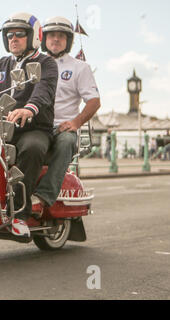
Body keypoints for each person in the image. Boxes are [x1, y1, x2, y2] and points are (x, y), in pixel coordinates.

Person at [0, 12, 58, 237]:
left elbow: (45, 89)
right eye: (9, 34)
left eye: (20, 34)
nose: (13, 38)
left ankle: (19, 215)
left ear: (34, 36)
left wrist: (28, 108)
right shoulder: (1, 64)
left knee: (31, 149)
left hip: (34, 128)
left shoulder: (45, 62)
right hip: (2, 126)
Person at [32, 16, 101, 212]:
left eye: (61, 36)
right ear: (44, 39)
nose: (55, 39)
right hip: (36, 126)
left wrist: (76, 122)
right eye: (51, 35)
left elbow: (94, 101)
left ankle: (43, 197)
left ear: (68, 41)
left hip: (61, 127)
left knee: (66, 142)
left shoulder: (79, 67)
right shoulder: (33, 65)